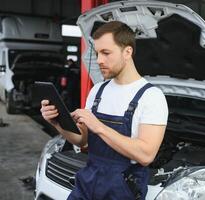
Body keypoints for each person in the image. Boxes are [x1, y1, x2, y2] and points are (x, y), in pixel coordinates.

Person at [40, 21, 168, 200]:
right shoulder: (97, 91)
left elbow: (146, 155)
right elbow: (83, 141)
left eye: (106, 53)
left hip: (122, 188)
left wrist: (98, 126)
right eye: (97, 53)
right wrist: (58, 123)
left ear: (127, 52)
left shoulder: (151, 97)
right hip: (88, 179)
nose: (99, 60)